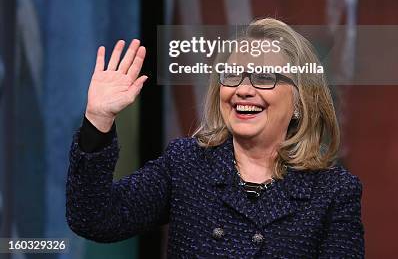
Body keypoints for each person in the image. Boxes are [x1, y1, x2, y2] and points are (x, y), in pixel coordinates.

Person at [66, 18, 365, 258]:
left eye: (263, 77)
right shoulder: (187, 164)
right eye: (233, 74)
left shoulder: (333, 192)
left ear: (300, 100)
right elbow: (94, 217)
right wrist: (99, 119)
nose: (243, 89)